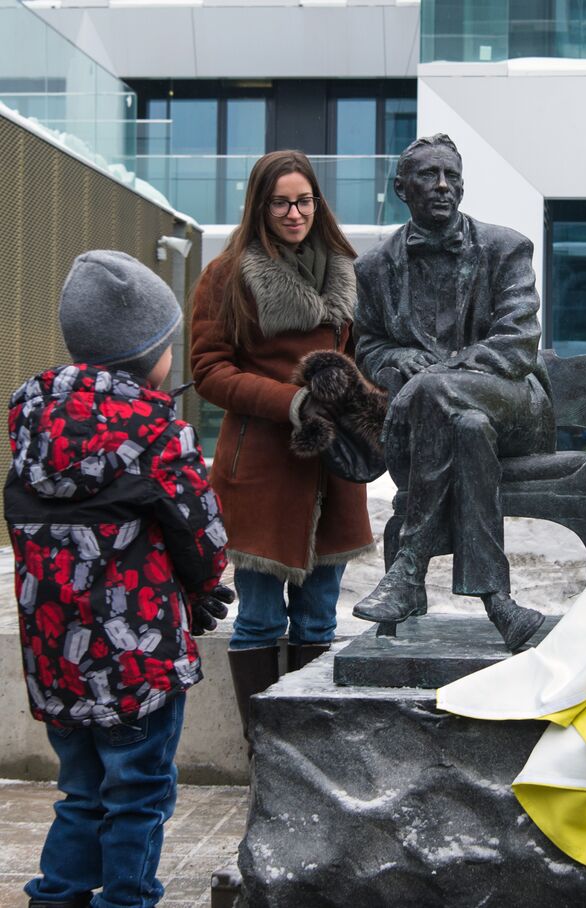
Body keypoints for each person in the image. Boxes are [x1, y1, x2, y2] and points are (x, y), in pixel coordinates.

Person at [6, 251, 231, 908]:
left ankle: (59, 896)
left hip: (54, 656)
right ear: (150, 353)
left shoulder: (29, 423)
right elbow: (203, 534)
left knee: (81, 793)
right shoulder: (159, 427)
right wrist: (200, 585)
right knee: (137, 796)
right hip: (137, 658)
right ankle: (126, 899)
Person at [190, 150, 373, 739]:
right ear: (260, 205)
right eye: (281, 202)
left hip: (332, 469)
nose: (294, 213)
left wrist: (362, 403)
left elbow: (359, 361)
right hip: (262, 470)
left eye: (304, 200)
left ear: (317, 202)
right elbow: (209, 370)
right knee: (260, 619)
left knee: (319, 618)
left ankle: (309, 753)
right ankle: (264, 752)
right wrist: (289, 401)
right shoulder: (228, 274)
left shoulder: (346, 268)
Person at [351, 134, 553, 651]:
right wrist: (398, 360)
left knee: (445, 401)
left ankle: (409, 567)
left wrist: (433, 378)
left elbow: (517, 344)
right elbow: (369, 346)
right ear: (402, 188)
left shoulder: (506, 248)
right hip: (451, 426)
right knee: (465, 426)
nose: (444, 186)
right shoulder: (373, 269)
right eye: (429, 176)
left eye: (452, 176)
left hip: (514, 402)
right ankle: (500, 605)